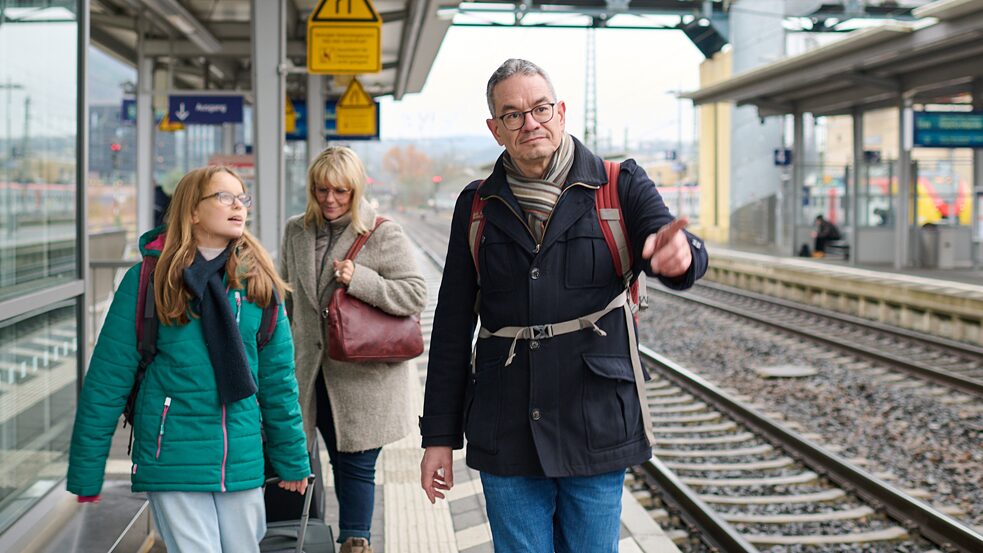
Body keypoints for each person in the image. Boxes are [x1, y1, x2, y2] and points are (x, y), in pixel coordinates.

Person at [419, 59, 709, 552]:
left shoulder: (619, 185)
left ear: (562, 112)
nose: (530, 122)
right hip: (504, 422)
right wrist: (438, 437)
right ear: (495, 130)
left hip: (593, 420)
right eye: (512, 114)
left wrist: (680, 258)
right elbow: (451, 326)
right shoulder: (476, 205)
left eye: (540, 108)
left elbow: (673, 247)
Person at [67, 166, 311, 552]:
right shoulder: (149, 280)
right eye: (224, 197)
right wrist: (87, 469)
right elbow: (107, 380)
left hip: (242, 460)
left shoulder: (259, 284)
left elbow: (279, 383)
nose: (238, 206)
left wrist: (292, 458)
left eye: (242, 198)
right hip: (173, 455)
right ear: (193, 211)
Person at [279, 146, 427, 553]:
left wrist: (360, 278)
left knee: (357, 467)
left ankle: (355, 541)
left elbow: (415, 294)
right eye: (322, 190)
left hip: (365, 379)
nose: (330, 199)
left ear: (356, 191)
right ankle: (333, 537)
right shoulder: (295, 231)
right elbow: (289, 300)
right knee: (326, 466)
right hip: (311, 375)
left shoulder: (382, 232)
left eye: (341, 191)